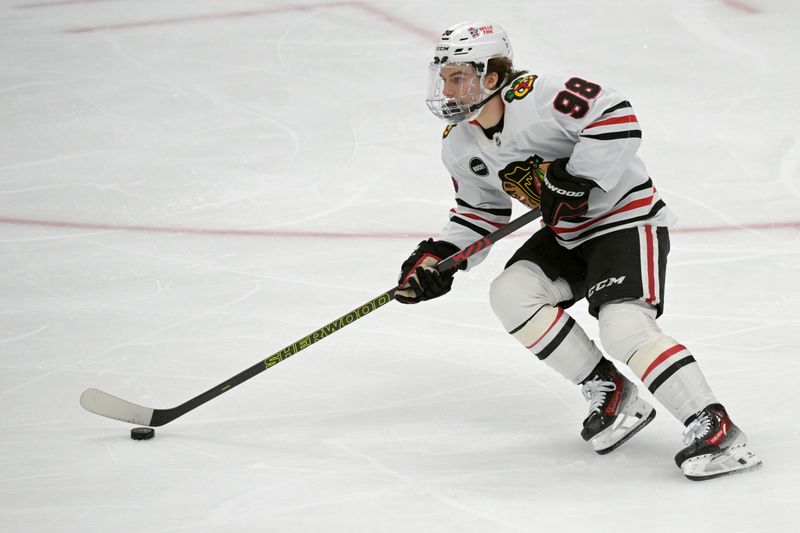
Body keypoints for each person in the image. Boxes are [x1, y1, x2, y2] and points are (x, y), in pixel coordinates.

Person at [394, 21, 762, 481]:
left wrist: (579, 174)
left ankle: (716, 427)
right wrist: (441, 258)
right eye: (443, 76)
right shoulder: (459, 143)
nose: (446, 88)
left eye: (458, 76)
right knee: (511, 292)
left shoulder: (538, 96)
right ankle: (611, 392)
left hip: (624, 220)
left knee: (624, 326)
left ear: (491, 76)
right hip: (567, 235)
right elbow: (481, 212)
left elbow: (617, 116)